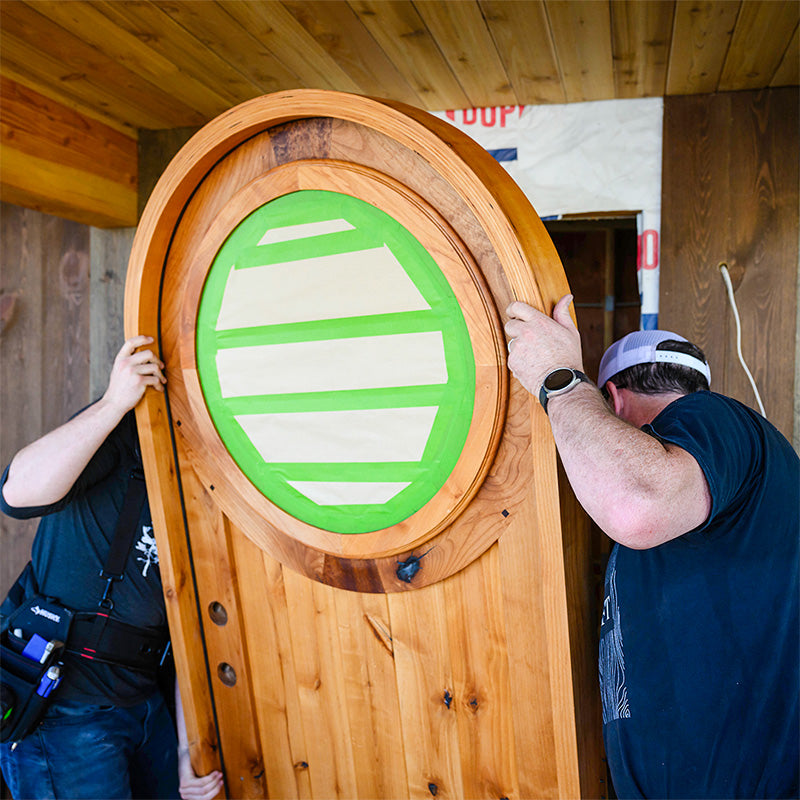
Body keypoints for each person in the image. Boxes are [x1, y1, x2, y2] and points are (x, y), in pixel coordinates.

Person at [505, 294, 799, 799]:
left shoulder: (714, 419)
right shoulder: (708, 457)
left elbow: (635, 504)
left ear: (613, 399)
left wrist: (560, 380)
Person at [0, 336, 224, 800]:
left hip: (146, 707)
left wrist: (185, 750)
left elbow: (191, 628)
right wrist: (112, 404)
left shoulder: (213, 483)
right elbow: (16, 493)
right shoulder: (123, 430)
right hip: (64, 712)